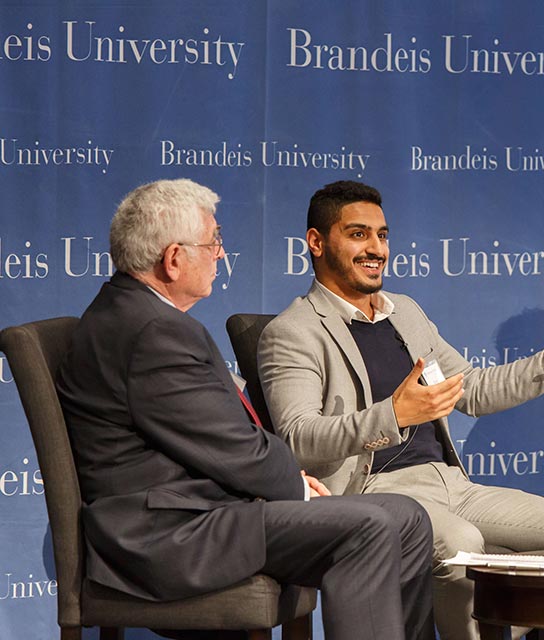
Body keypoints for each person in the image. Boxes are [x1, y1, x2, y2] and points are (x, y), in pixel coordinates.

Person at [56, 179, 435, 640]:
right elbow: (232, 447)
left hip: (206, 511)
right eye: (213, 241)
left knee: (409, 517)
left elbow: (217, 438)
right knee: (370, 525)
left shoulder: (138, 315)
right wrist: (296, 486)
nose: (220, 253)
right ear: (174, 259)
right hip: (171, 533)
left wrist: (290, 484)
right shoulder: (151, 332)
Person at [258, 180, 544, 640]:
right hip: (375, 493)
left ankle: (494, 619)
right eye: (359, 234)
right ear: (317, 242)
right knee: (463, 544)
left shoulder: (405, 313)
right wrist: (395, 415)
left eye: (382, 235)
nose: (376, 249)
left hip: (451, 484)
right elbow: (300, 437)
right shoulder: (294, 331)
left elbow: (474, 391)